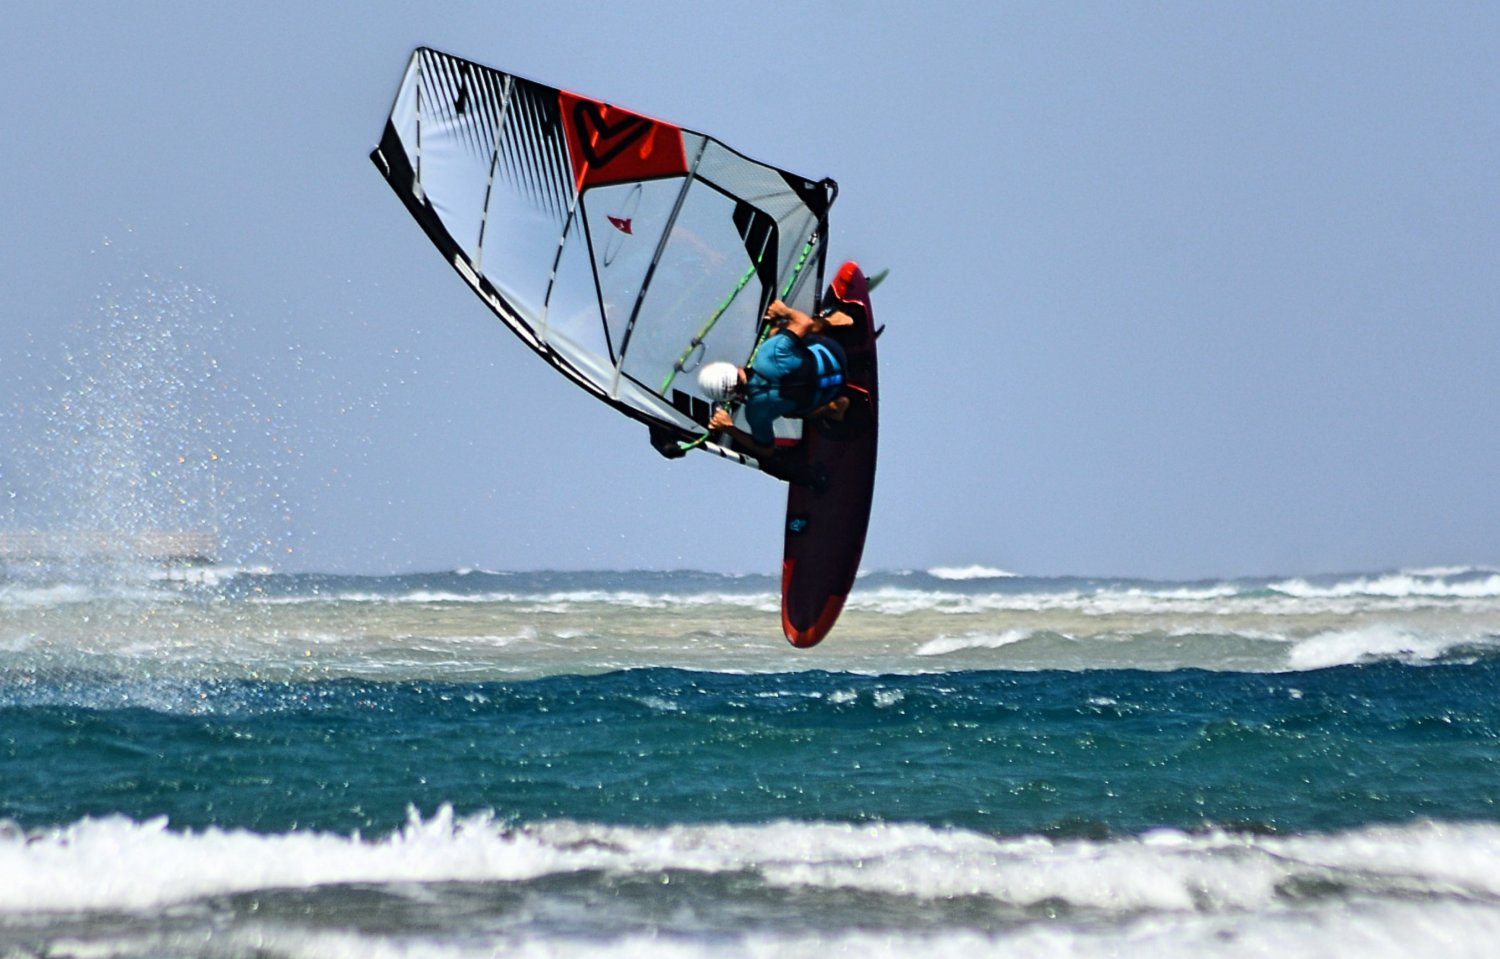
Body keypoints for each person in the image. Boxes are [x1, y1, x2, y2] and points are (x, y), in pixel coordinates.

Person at [696, 299, 852, 460]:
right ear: (731, 367)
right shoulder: (768, 352)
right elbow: (805, 322)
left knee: (788, 412)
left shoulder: (756, 412)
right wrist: (783, 311)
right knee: (776, 331)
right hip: (835, 355)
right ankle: (838, 320)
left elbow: (766, 450)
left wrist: (729, 428)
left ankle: (835, 407)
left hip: (831, 392)